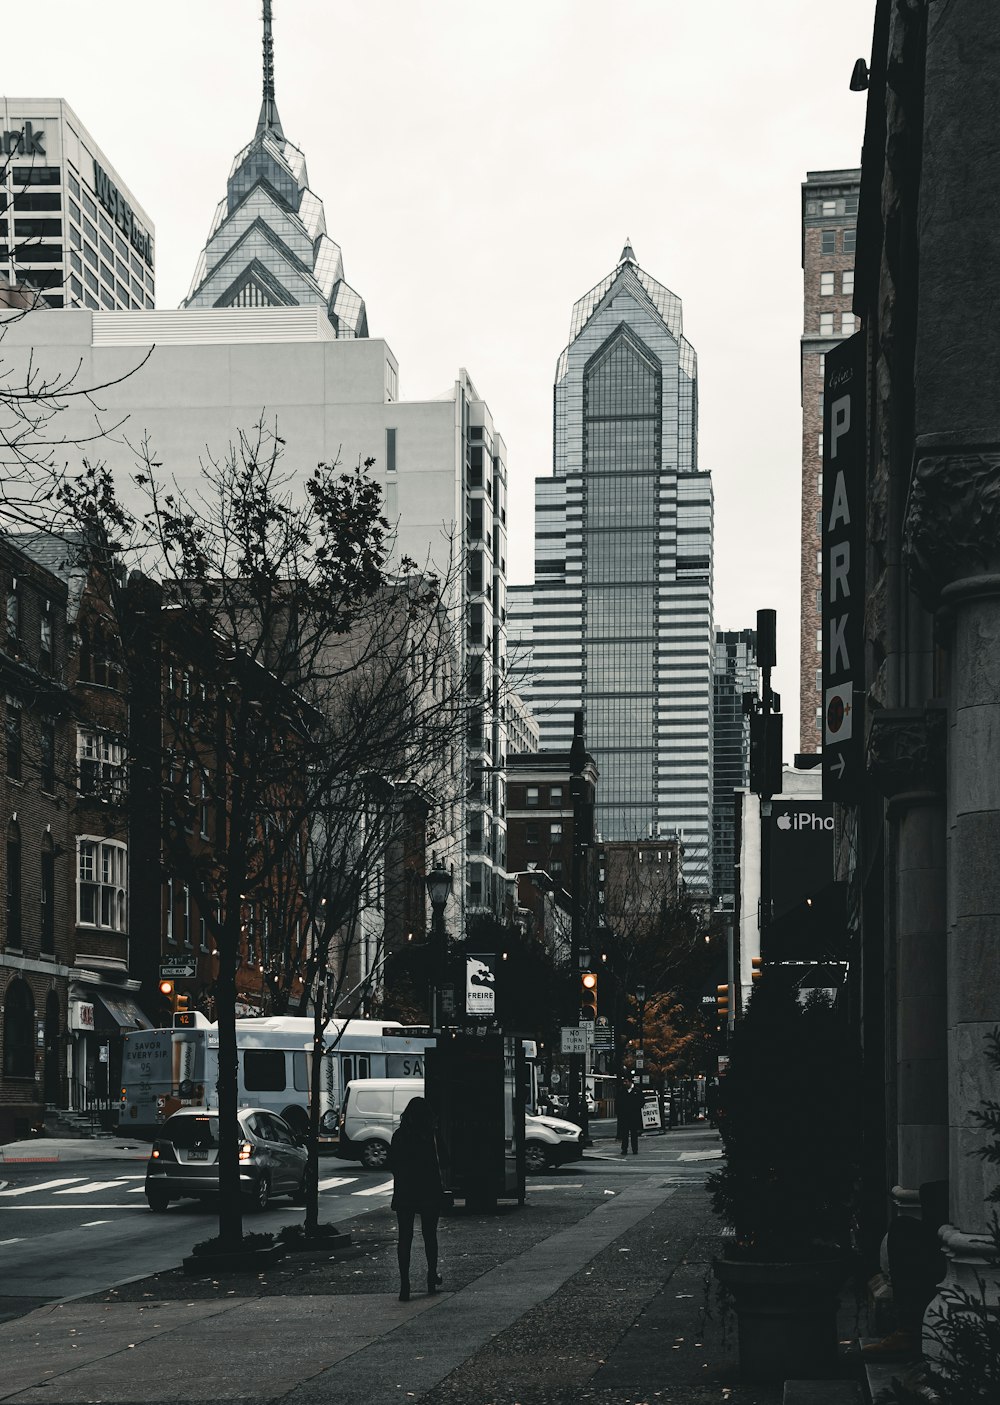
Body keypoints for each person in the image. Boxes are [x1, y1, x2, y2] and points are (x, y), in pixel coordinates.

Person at [387, 1097, 446, 1301]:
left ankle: (405, 1284)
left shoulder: (399, 1136)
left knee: (405, 1237)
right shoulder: (431, 1136)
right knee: (430, 1235)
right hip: (429, 1190)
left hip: (405, 1191)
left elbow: (392, 1163)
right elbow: (442, 1161)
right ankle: (431, 1276)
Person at [618, 1075, 643, 1156]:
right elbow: (618, 1102)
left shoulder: (637, 1091)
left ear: (630, 1081)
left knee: (634, 1134)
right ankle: (624, 1149)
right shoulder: (622, 1091)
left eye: (626, 1081)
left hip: (634, 1116)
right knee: (624, 1134)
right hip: (625, 1116)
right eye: (624, 1082)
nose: (624, 1083)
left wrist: (636, 1108)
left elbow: (642, 1101)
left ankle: (634, 1149)